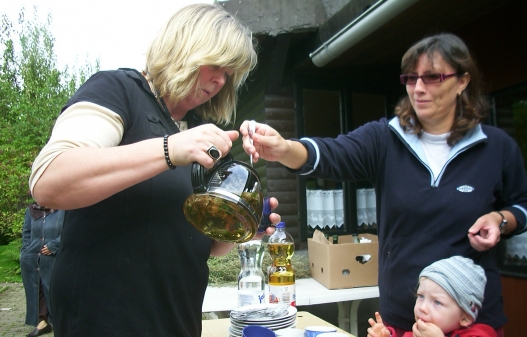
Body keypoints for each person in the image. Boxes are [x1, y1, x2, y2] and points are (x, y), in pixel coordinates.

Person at [240, 33, 527, 336]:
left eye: (432, 77)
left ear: (462, 81)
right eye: (410, 77)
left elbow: (521, 204)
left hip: (474, 324)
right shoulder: (385, 139)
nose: (418, 88)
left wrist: (502, 219)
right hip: (403, 320)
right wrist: (284, 149)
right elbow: (332, 154)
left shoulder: (495, 147)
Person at [28, 3, 279, 336]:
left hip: (177, 322)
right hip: (105, 323)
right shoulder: (117, 91)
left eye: (229, 74)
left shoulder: (199, 129)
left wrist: (243, 226)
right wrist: (169, 148)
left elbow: (209, 245)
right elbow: (48, 180)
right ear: (185, 48)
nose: (220, 80)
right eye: (215, 65)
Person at [367, 256, 496, 337]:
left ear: (465, 317)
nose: (422, 307)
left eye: (437, 302)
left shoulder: (480, 334)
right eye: (421, 296)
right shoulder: (415, 334)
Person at [20, 202, 64, 337]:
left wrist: (54, 245)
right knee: (36, 289)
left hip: (55, 257)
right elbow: (26, 233)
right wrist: (26, 251)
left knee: (54, 289)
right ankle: (42, 321)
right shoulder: (32, 210)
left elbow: (70, 231)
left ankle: (60, 322)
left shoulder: (64, 209)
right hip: (32, 257)